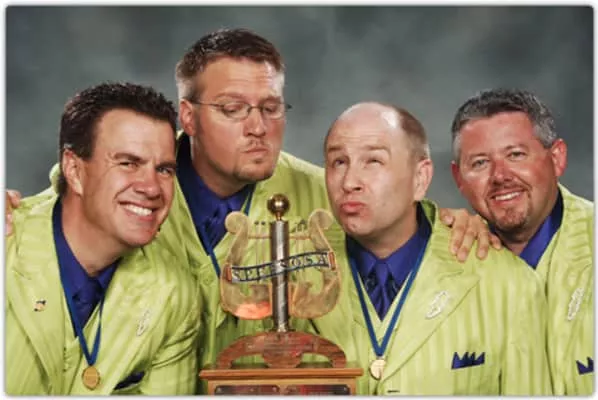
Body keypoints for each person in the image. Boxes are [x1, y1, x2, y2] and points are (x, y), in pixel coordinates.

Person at [5, 28, 496, 392]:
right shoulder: (136, 194)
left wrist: (452, 221)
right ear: (188, 117)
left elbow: (397, 218)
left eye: (270, 107)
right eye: (233, 109)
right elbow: (69, 200)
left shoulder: (327, 194)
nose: (258, 126)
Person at [312, 101, 551, 395]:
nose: (350, 182)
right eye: (338, 162)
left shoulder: (510, 284)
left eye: (373, 161)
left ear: (420, 178)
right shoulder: (298, 279)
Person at [5, 82, 201, 395]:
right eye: (128, 163)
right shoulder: (7, 246)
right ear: (74, 169)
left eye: (164, 169)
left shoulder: (174, 294)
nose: (152, 188)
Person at [449, 88, 594, 395]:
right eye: (480, 163)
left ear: (557, 158)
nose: (500, 176)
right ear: (459, 178)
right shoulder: (441, 265)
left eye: (515, 155)